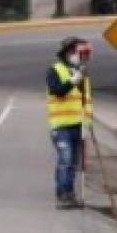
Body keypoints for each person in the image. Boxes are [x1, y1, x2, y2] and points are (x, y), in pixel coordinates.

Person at [46, 37, 92, 209]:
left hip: (79, 125)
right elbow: (57, 91)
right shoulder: (55, 70)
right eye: (74, 52)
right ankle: (63, 194)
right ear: (67, 53)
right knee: (65, 158)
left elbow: (86, 100)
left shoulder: (83, 75)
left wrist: (88, 122)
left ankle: (69, 193)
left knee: (72, 162)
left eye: (79, 53)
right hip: (61, 125)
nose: (77, 56)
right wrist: (73, 81)